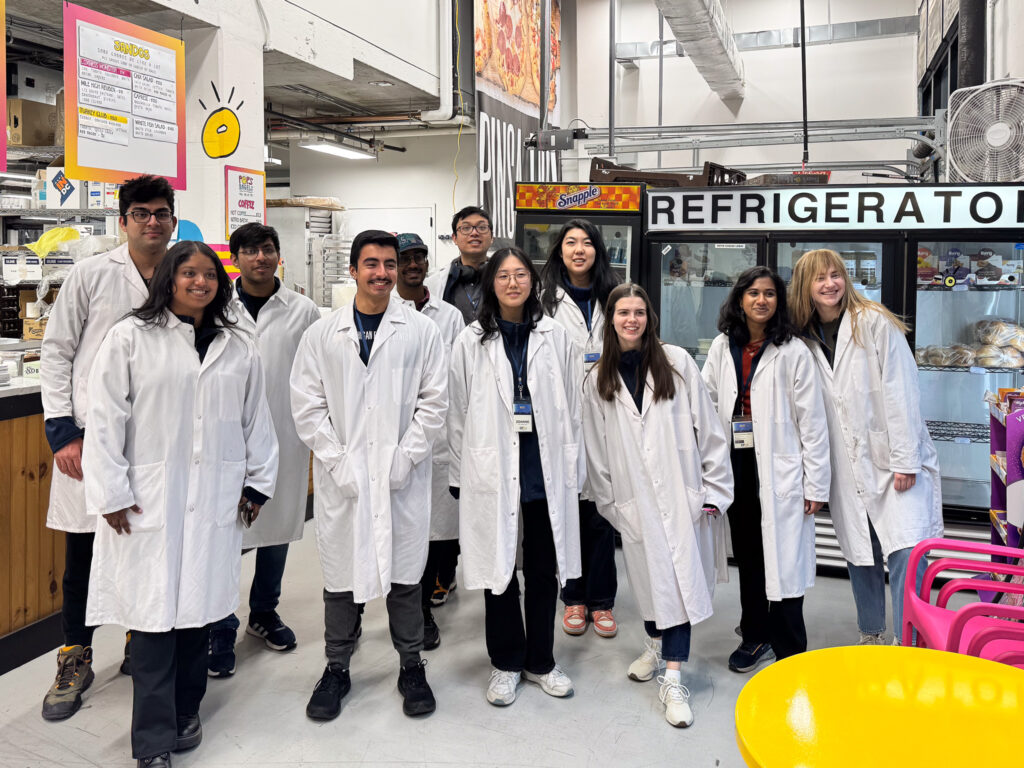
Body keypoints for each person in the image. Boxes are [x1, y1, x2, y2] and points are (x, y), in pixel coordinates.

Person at [83, 240, 278, 768]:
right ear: (167, 279)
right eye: (188, 273)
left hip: (214, 498)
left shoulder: (239, 344)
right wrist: (112, 492)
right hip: (148, 502)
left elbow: (255, 418)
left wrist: (258, 483)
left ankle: (186, 710)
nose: (200, 282)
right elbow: (104, 421)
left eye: (209, 274)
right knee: (151, 625)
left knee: (199, 616)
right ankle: (151, 743)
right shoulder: (130, 337)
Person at [290, 229, 447, 721]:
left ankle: (410, 664)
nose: (382, 273)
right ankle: (336, 667)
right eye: (371, 264)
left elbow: (434, 403)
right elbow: (307, 406)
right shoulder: (322, 333)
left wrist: (404, 458)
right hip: (346, 480)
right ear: (353, 270)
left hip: (402, 475)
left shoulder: (422, 332)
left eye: (389, 265)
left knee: (405, 577)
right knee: (339, 578)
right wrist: (338, 460)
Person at [39, 174, 175, 721]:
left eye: (160, 212)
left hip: (155, 443)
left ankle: (139, 645)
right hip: (91, 440)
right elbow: (56, 351)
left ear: (172, 218)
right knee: (84, 554)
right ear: (123, 221)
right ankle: (75, 655)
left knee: (148, 550)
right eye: (140, 213)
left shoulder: (185, 275)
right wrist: (63, 432)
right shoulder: (92, 275)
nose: (151, 221)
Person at [582, 283, 733, 728]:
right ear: (611, 319)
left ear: (650, 317)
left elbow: (709, 431)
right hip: (634, 502)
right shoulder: (597, 379)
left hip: (682, 494)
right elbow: (596, 450)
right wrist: (613, 505)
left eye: (640, 312)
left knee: (680, 588)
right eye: (623, 312)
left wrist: (713, 492)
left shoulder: (677, 362)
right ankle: (655, 644)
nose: (632, 319)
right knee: (650, 584)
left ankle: (672, 675)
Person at [448, 246, 584, 707]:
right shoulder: (471, 340)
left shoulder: (557, 336)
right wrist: (458, 472)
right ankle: (506, 662)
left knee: (544, 569)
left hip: (543, 471)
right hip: (491, 468)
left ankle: (540, 660)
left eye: (520, 274)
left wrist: (574, 466)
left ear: (533, 281)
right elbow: (457, 411)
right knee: (497, 568)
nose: (512, 283)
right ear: (491, 284)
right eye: (503, 275)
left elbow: (574, 405)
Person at [790, 249, 943, 645]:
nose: (830, 284)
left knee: (907, 551)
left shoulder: (872, 322)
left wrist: (906, 460)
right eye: (820, 278)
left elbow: (901, 392)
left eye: (836, 275)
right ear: (805, 286)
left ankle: (910, 639)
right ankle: (871, 633)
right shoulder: (801, 338)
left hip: (892, 458)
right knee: (861, 552)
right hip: (844, 462)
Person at [205, 223, 322, 677]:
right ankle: (219, 622)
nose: (260, 258)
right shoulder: (216, 306)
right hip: (224, 439)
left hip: (283, 437)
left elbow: (318, 370)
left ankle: (263, 613)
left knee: (276, 526)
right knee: (224, 534)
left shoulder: (303, 310)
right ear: (235, 257)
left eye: (267, 249)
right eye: (250, 250)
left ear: (278, 255)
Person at [702, 266, 831, 672]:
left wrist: (816, 484)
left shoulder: (794, 351)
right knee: (750, 554)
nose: (761, 300)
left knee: (787, 557)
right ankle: (756, 635)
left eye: (770, 294)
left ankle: (790, 645)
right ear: (739, 299)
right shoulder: (723, 347)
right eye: (753, 293)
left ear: (780, 301)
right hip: (736, 462)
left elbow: (813, 423)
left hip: (781, 465)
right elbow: (705, 400)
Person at [538, 218, 620, 639]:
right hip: (563, 418)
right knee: (567, 511)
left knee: (603, 510)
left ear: (597, 251)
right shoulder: (545, 301)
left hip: (609, 414)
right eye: (570, 242)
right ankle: (572, 597)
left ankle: (602, 601)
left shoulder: (615, 295)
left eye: (587, 243)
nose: (579, 250)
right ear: (560, 251)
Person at [394, 232, 465, 651]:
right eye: (406, 258)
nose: (414, 264)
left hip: (437, 436)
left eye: (420, 256)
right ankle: (397, 609)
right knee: (402, 531)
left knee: (434, 529)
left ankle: (421, 610)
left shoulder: (449, 315)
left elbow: (451, 377)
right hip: (397, 436)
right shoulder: (387, 310)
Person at [421, 205, 492, 605]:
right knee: (447, 489)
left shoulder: (507, 275)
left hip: (493, 388)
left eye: (481, 227)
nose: (474, 233)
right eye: (466, 228)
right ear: (454, 236)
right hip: (449, 392)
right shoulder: (437, 283)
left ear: (491, 234)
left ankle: (490, 568)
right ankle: (444, 572)